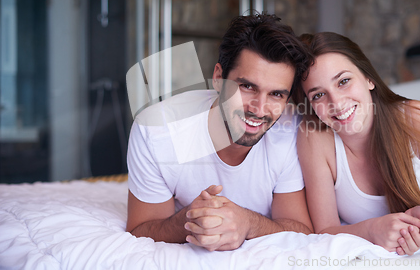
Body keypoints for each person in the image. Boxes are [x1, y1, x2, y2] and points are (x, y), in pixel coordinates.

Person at [125, 13, 313, 252]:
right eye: (247, 87)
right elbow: (141, 228)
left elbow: (300, 229)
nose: (259, 108)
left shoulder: (291, 130)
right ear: (217, 78)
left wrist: (248, 222)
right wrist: (191, 219)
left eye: (276, 94)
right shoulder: (156, 129)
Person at [294, 32, 420, 256]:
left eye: (344, 81)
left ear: (369, 78)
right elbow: (324, 230)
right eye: (318, 95)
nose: (337, 103)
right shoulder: (314, 137)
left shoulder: (419, 119)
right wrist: (372, 229)